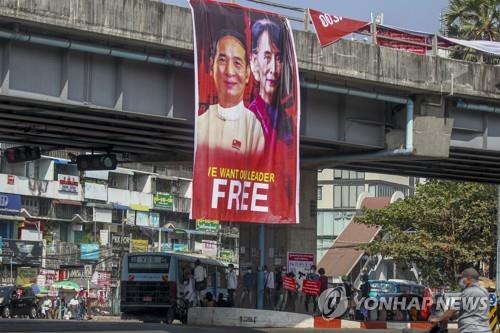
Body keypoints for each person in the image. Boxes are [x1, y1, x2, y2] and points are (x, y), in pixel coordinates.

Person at [197, 30, 265, 156]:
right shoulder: (201, 124)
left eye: (237, 63)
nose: (229, 71)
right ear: (212, 66)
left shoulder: (253, 129)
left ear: (247, 74)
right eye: (222, 60)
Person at [249, 18, 292, 146]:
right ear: (255, 62)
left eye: (278, 58)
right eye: (267, 57)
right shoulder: (250, 118)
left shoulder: (287, 119)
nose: (273, 69)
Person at [430, 268, 490, 333]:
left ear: (469, 279)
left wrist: (438, 319)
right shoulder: (484, 291)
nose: (461, 281)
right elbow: (473, 312)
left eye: (462, 278)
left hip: (471, 330)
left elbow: (452, 311)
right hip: (485, 329)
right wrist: (455, 316)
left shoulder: (468, 292)